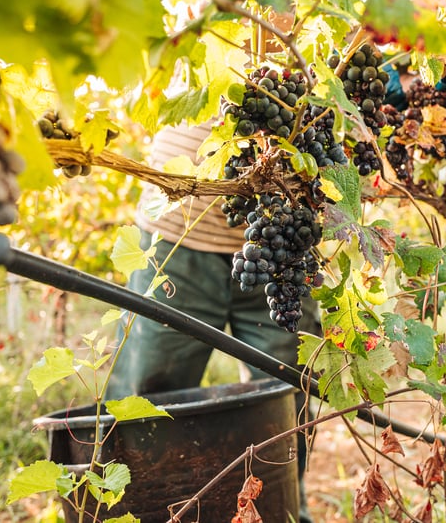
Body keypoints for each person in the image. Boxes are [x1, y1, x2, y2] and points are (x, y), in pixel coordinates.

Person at [106, 121, 319, 523]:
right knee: (147, 404)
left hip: (286, 240)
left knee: (286, 404)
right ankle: (142, 512)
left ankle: (279, 512)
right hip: (178, 232)